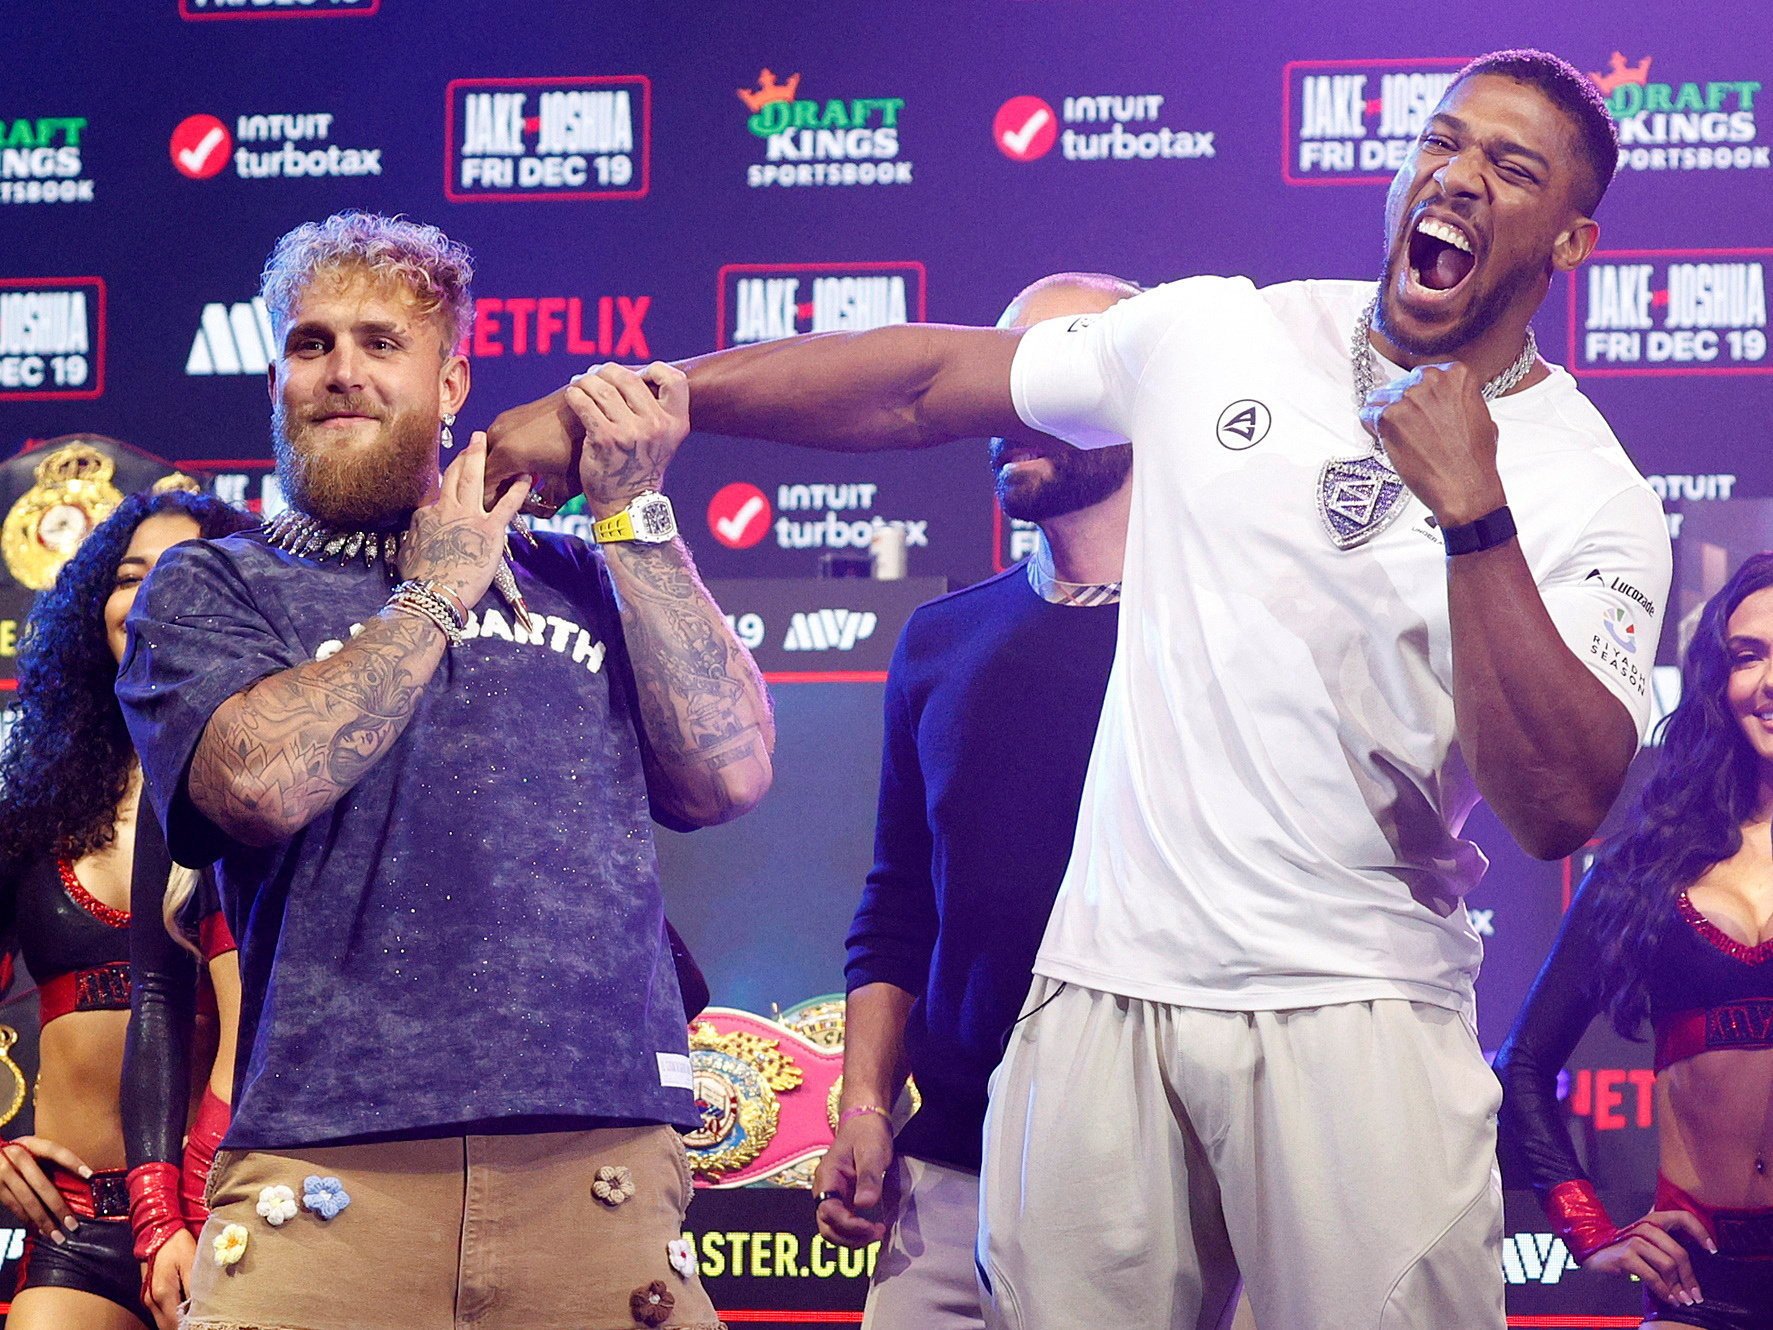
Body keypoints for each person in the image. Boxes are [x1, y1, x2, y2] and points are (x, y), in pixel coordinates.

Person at [488, 49, 1671, 1328]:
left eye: (1512, 168)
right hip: (1103, 993)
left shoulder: (1585, 491)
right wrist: (642, 402)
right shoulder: (1224, 331)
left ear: (1572, 240)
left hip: (1356, 1013)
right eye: (1442, 144)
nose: (1459, 178)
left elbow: (1557, 802)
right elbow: (923, 384)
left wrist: (1474, 512)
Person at [115, 211, 772, 1330]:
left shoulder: (582, 569)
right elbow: (258, 784)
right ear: (274, 378)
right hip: (324, 1175)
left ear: (452, 378)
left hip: (599, 1164)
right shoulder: (213, 589)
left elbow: (729, 773)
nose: (341, 373)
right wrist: (431, 596)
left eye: (381, 343)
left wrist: (635, 517)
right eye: (311, 344)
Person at [816, 273, 1138, 1328]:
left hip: (1153, 1183)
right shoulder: (939, 640)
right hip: (944, 1177)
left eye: (1054, 371)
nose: (1009, 404)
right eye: (999, 375)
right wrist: (867, 1102)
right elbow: (900, 903)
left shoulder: (1228, 641)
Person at [1496, 552, 1773, 1330]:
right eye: (1747, 656)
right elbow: (1522, 1065)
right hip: (1698, 1285)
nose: (1768, 681)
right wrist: (1591, 1232)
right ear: (1717, 683)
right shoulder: (1647, 864)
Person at [0, 488, 255, 1330]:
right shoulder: (34, 805)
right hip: (73, 1228)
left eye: (176, 576)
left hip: (236, 1216)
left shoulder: (262, 790)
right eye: (127, 576)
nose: (142, 598)